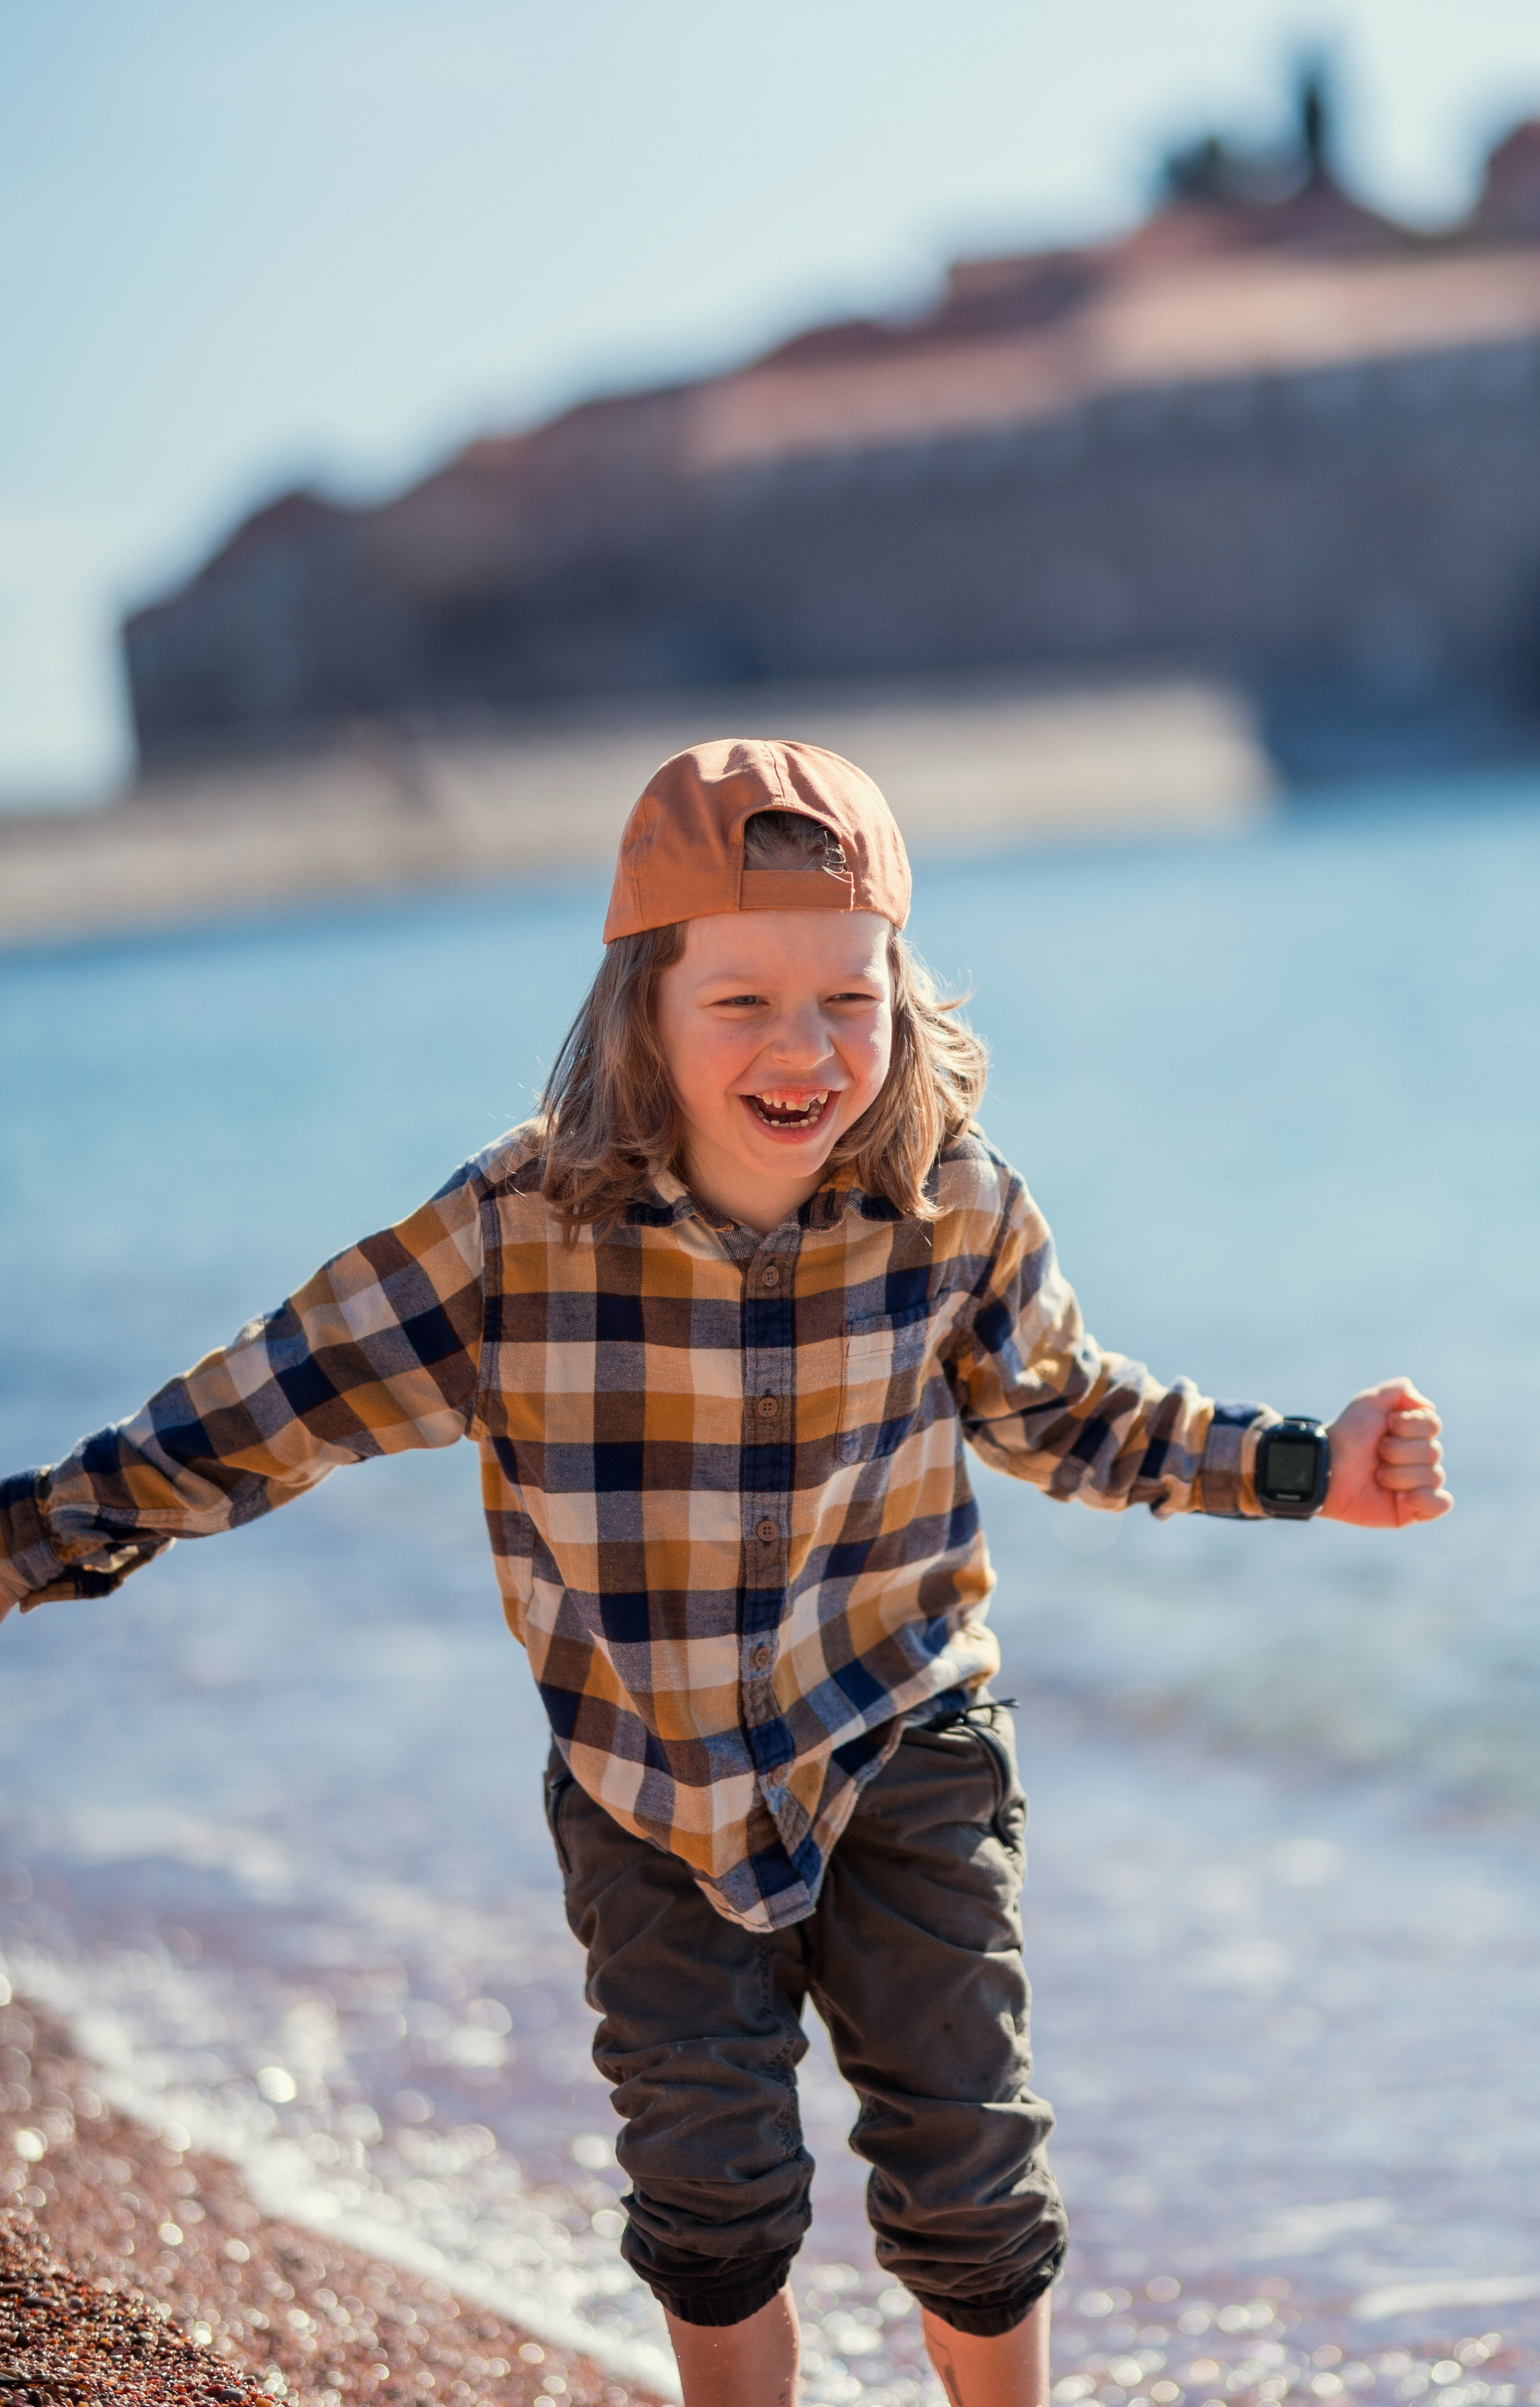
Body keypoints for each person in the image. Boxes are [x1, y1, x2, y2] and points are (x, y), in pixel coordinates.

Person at [0, 738, 1450, 2407]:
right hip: (645, 1781)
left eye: (849, 998)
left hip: (905, 1743)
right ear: (643, 1005)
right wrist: (30, 1540)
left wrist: (1305, 1469)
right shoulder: (516, 1232)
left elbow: (1069, 1412)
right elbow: (268, 1402)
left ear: (901, 1000)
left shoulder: (952, 1205)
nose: (803, 1048)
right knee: (710, 2194)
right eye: (742, 1000)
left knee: (970, 2172)